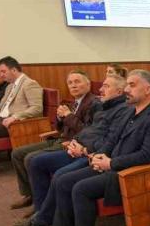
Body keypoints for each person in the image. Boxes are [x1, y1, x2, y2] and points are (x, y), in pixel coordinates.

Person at [33, 70, 150, 226]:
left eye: (132, 85)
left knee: (81, 189)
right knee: (63, 181)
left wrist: (111, 163)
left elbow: (148, 156)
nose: (126, 89)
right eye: (127, 85)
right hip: (111, 164)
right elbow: (112, 139)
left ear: (148, 89)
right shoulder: (130, 111)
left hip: (129, 173)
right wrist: (98, 156)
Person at [7, 74, 130, 226]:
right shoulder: (104, 106)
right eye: (70, 82)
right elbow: (89, 131)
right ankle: (41, 212)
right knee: (36, 161)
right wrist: (75, 141)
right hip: (77, 147)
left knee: (60, 175)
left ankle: (42, 221)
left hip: (92, 154)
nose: (101, 89)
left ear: (119, 91)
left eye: (106, 86)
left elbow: (107, 139)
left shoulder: (106, 106)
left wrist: (83, 149)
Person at [8, 71, 100, 209]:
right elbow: (59, 129)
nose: (73, 85)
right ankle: (29, 194)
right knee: (17, 153)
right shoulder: (73, 102)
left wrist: (68, 115)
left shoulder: (93, 103)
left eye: (77, 81)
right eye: (70, 83)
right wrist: (60, 117)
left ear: (88, 84)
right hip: (60, 139)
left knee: (30, 158)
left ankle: (42, 204)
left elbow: (88, 131)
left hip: (72, 144)